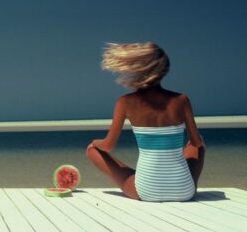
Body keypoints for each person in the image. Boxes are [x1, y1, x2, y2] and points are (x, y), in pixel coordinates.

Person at [86, 42, 206, 201]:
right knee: (197, 145)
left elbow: (108, 145)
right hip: (184, 191)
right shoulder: (181, 100)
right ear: (163, 71)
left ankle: (151, 177)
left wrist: (96, 142)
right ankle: (172, 178)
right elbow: (196, 143)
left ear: (137, 70)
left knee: (92, 150)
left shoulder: (125, 102)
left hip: (146, 191)